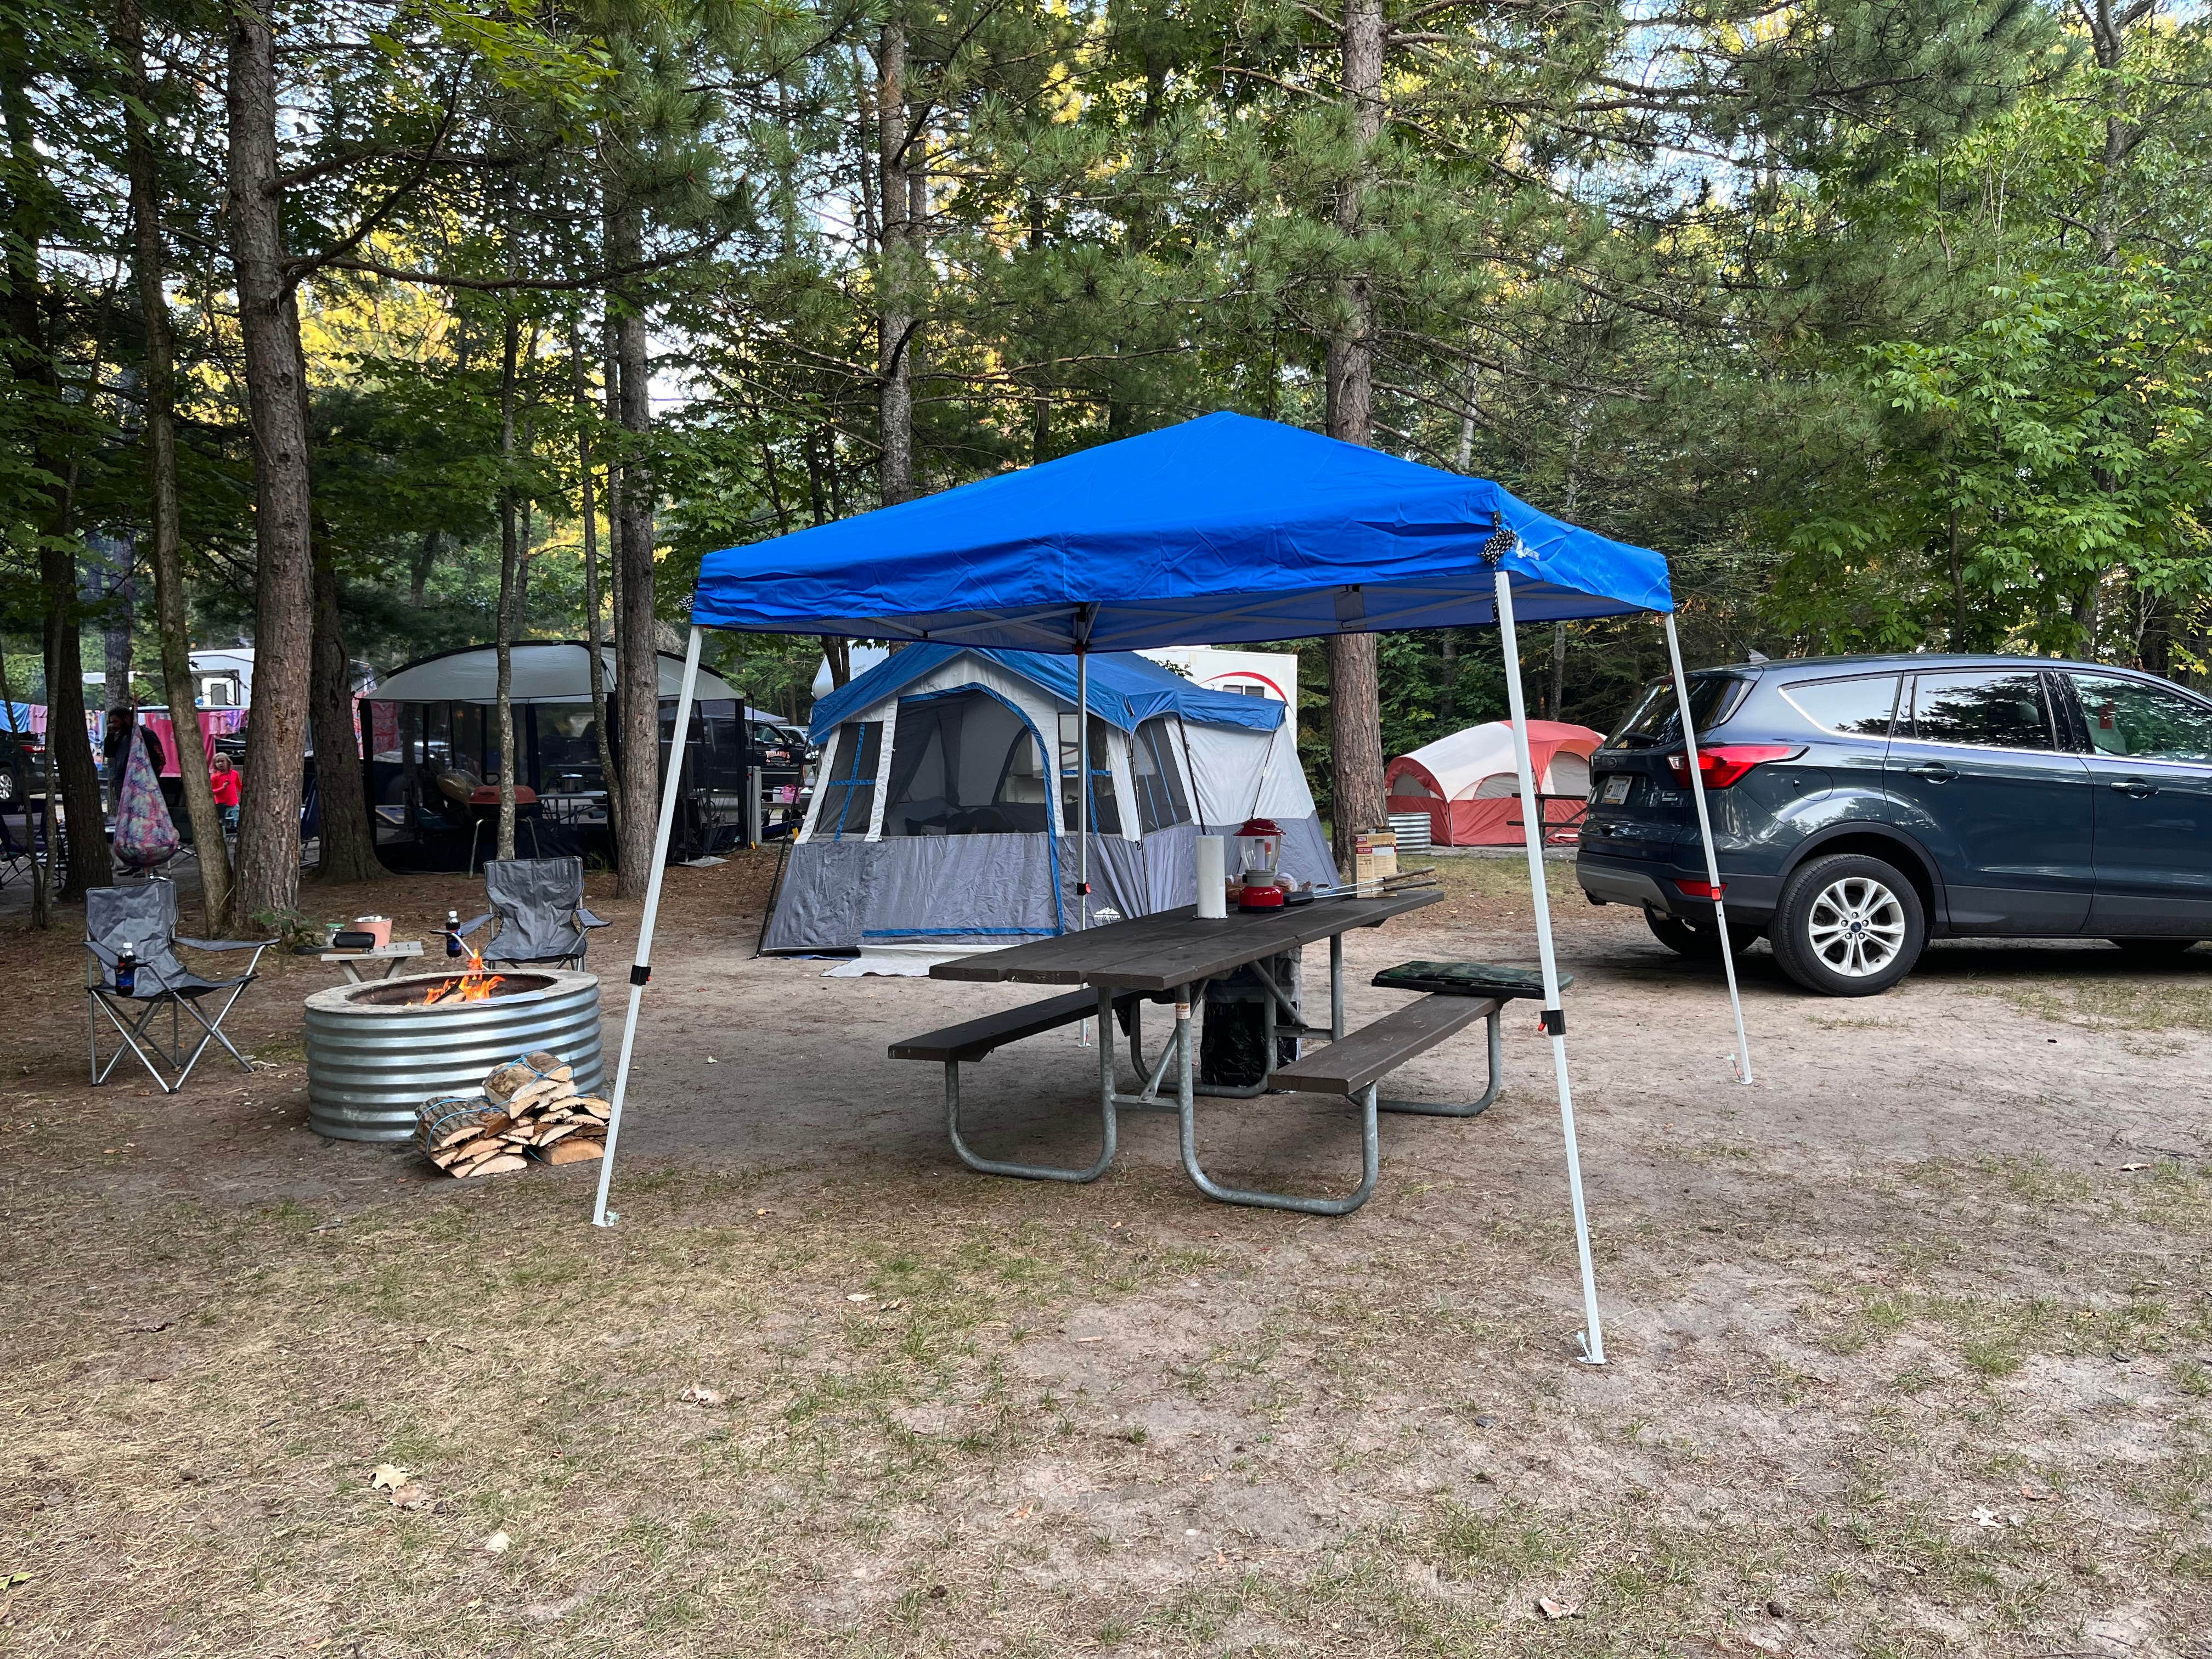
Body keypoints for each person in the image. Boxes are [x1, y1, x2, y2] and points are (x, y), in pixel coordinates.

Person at [210, 752, 240, 834]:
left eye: (222, 761)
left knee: (237, 824)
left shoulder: (234, 774)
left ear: (228, 762)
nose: (220, 764)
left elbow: (239, 786)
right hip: (221, 805)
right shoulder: (214, 776)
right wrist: (222, 788)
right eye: (218, 762)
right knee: (223, 826)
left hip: (234, 803)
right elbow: (212, 791)